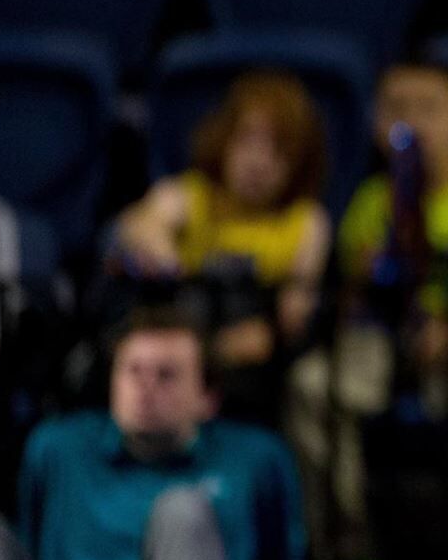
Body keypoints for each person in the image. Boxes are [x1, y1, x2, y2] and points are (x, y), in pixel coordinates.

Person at [285, 62, 448, 560]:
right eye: (397, 110)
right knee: (313, 386)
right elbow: (356, 300)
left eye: (429, 108)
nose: (412, 123)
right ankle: (344, 542)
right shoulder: (372, 200)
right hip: (385, 341)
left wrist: (447, 332)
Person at [1, 306, 303, 560]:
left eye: (166, 375)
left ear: (208, 397)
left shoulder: (257, 457)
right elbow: (30, 546)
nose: (145, 388)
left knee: (180, 511)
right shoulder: (58, 448)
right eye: (133, 371)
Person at [111, 73, 332, 421]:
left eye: (278, 150)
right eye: (247, 141)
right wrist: (166, 254)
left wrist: (269, 332)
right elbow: (136, 225)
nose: (258, 162)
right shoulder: (192, 195)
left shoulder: (306, 223)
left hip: (258, 363)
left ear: (299, 161)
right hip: (183, 341)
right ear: (223, 140)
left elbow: (295, 314)